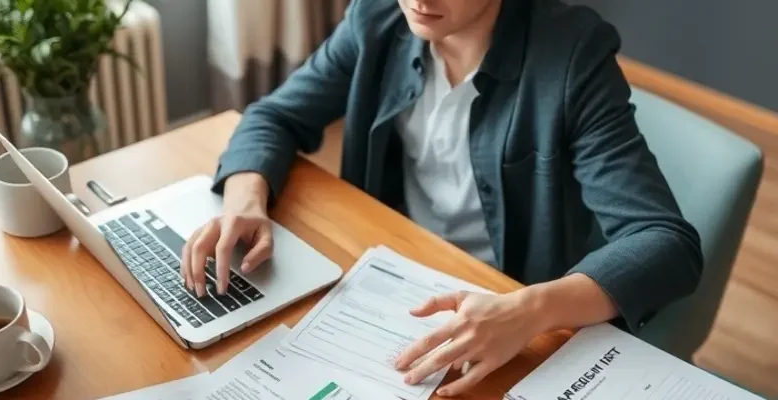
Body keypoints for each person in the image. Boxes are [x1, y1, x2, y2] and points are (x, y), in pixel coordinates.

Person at [181, 0, 703, 396]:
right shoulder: (377, 17)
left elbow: (663, 242)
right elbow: (274, 115)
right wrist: (247, 200)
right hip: (390, 287)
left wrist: (529, 309)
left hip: (508, 305)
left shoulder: (571, 55)